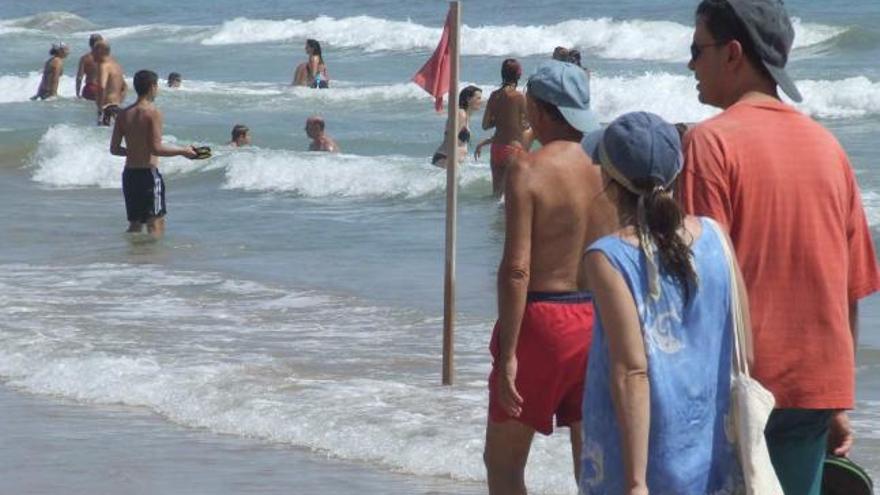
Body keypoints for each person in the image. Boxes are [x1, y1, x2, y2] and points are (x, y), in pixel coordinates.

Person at [679, 1, 880, 494]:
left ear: (732, 53)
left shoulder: (710, 144)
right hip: (816, 385)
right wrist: (835, 402)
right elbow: (847, 289)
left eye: (696, 49)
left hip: (741, 389)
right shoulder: (828, 148)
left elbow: (698, 283)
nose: (690, 64)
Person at [579, 111, 743, 494]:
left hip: (636, 455)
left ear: (607, 179)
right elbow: (741, 346)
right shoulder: (717, 238)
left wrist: (636, 482)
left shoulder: (608, 256)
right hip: (709, 453)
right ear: (676, 176)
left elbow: (631, 371)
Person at [483, 60, 612, 495]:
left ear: (537, 110)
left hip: (544, 320)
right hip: (599, 319)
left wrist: (509, 355)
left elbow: (518, 268)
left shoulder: (528, 168)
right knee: (591, 469)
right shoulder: (608, 166)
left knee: (502, 465)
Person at [110, 70, 198, 238]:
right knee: (155, 223)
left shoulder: (123, 114)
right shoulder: (153, 113)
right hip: (148, 175)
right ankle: (153, 262)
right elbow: (156, 149)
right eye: (156, 86)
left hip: (129, 175)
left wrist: (135, 150)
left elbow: (114, 149)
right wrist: (183, 151)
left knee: (135, 225)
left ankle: (130, 260)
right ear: (152, 87)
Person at [474, 59, 529, 196]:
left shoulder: (494, 96)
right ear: (518, 75)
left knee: (497, 195)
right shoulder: (519, 97)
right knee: (514, 196)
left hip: (497, 149)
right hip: (513, 149)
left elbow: (485, 125)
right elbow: (527, 123)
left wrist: (500, 120)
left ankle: (496, 218)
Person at [431, 85, 482, 168]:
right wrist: (452, 162)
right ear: (468, 99)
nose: (481, 101)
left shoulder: (465, 116)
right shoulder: (460, 114)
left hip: (451, 160)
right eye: (478, 98)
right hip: (446, 159)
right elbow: (451, 139)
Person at [94, 40, 128, 126]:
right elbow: (124, 87)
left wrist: (100, 108)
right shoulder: (116, 65)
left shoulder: (103, 66)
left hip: (107, 108)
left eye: (94, 51)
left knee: (103, 136)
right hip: (116, 106)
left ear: (100, 51)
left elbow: (102, 86)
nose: (92, 54)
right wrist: (119, 101)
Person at [76, 34, 102, 100]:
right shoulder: (107, 58)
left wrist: (77, 93)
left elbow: (79, 77)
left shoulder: (85, 58)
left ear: (90, 44)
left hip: (90, 88)